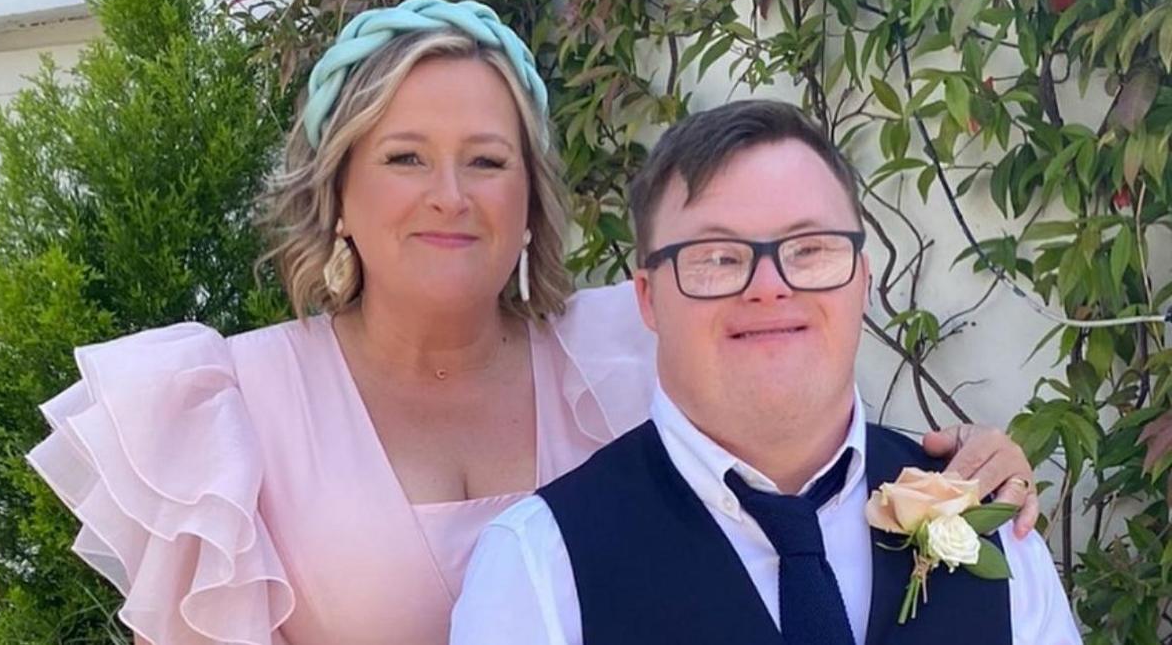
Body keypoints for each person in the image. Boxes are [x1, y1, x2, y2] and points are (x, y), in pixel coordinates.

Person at [26, 0, 1040, 645]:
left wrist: (974, 465)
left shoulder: (618, 348)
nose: (450, 194)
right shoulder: (230, 409)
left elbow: (801, 438)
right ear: (337, 189)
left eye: (487, 158)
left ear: (529, 196)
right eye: (405, 156)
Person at [449, 100, 1080, 645]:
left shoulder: (992, 523)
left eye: (810, 249)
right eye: (717, 258)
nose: (770, 287)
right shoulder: (540, 566)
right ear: (647, 298)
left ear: (862, 277)